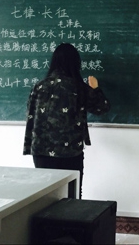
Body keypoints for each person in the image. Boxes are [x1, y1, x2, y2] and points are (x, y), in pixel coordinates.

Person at [23, 43, 110, 198]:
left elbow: (30, 114)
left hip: (41, 150)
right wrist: (95, 89)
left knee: (46, 196)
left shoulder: (39, 86)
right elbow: (101, 108)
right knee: (72, 194)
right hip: (70, 151)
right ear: (75, 63)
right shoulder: (79, 87)